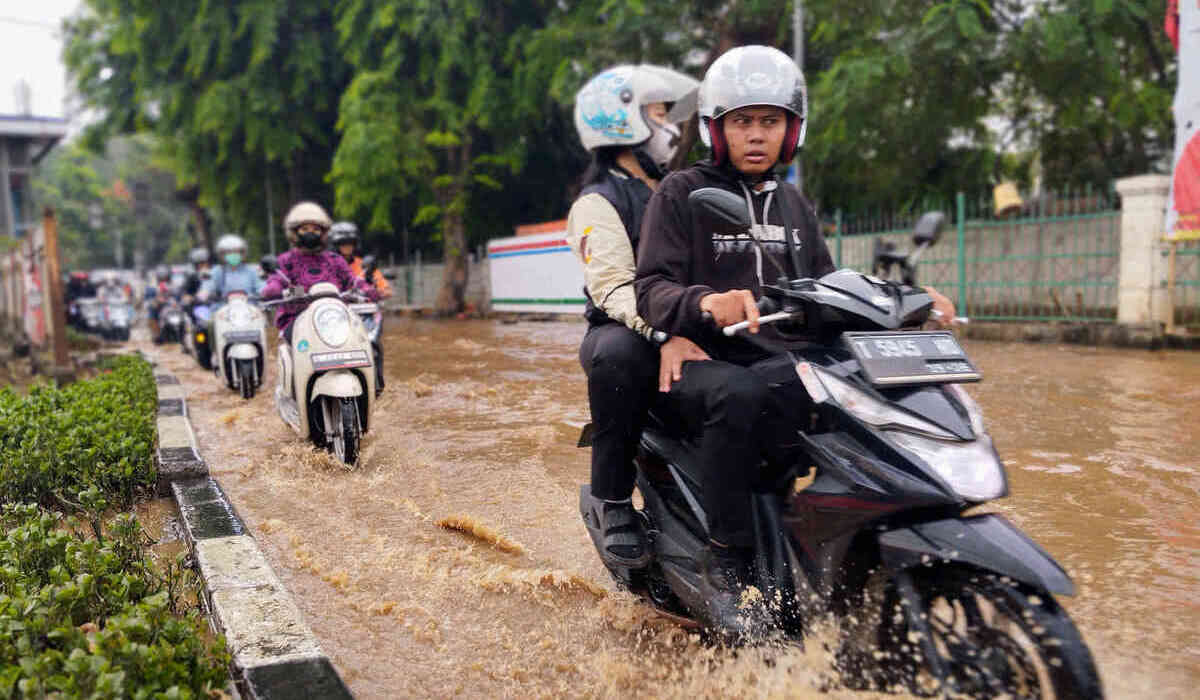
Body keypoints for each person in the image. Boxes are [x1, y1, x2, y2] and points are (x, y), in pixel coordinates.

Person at [634, 45, 956, 635]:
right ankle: (726, 561)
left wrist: (908, 306)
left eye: (770, 121)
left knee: (858, 389)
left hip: (783, 363)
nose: (756, 135)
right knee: (740, 395)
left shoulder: (794, 205)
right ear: (716, 129)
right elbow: (650, 286)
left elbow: (829, 288)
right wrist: (705, 303)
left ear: (790, 131)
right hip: (705, 359)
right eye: (742, 122)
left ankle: (842, 546)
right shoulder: (681, 193)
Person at [566, 64, 703, 568]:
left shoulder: (681, 189)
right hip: (626, 327)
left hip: (687, 318)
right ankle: (613, 499)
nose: (669, 127)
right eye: (659, 114)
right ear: (622, 122)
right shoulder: (597, 203)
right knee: (620, 357)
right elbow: (613, 288)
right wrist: (662, 330)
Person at [260, 202, 379, 341]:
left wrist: (366, 289)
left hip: (337, 319)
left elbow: (353, 281)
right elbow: (276, 281)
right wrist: (274, 289)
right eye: (304, 229)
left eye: (316, 229)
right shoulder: (285, 261)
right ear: (294, 232)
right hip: (296, 319)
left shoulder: (335, 260)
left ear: (323, 232)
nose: (310, 233)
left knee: (363, 338)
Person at [331, 222, 393, 298]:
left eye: (351, 242)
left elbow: (385, 289)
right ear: (335, 244)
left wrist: (380, 291)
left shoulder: (364, 265)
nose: (347, 246)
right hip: (335, 306)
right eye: (342, 243)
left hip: (362, 306)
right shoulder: (327, 265)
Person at [200, 234, 264, 301]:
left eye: (236, 251)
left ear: (243, 253)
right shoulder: (216, 271)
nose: (233, 254)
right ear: (222, 254)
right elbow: (207, 287)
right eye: (229, 252)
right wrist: (201, 296)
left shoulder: (253, 271)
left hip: (250, 307)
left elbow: (262, 289)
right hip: (223, 307)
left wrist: (262, 294)